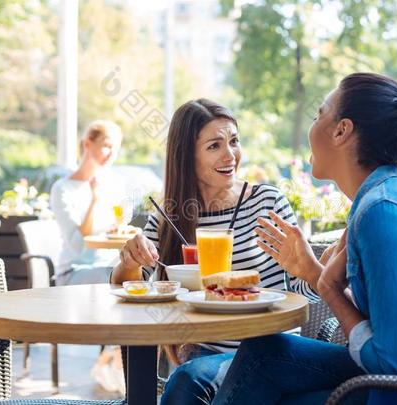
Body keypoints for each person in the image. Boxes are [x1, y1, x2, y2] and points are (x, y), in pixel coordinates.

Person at [209, 73, 397, 404]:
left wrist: (329, 290)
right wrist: (315, 275)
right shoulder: (384, 199)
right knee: (264, 352)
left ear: (342, 130)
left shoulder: (385, 212)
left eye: (319, 115)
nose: (312, 128)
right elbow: (390, 329)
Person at [111, 98, 318, 404]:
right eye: (214, 146)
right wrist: (130, 260)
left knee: (188, 380)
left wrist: (319, 266)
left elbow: (304, 286)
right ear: (187, 156)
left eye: (234, 141)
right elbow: (126, 286)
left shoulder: (267, 203)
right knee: (188, 378)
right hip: (205, 353)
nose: (230, 155)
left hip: (268, 346)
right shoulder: (170, 216)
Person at [51, 119, 127, 285]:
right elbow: (78, 244)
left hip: (109, 265)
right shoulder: (62, 188)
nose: (111, 154)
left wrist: (119, 228)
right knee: (120, 278)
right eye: (107, 146)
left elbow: (121, 223)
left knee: (144, 274)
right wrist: (94, 200)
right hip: (73, 271)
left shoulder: (115, 183)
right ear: (87, 144)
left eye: (115, 149)